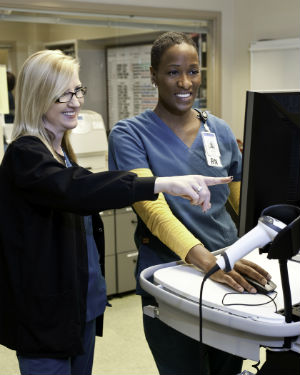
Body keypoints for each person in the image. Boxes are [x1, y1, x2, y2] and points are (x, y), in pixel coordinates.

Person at [0, 49, 232, 375]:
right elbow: (76, 189)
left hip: (83, 307)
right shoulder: (25, 153)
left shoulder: (60, 150)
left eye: (78, 90)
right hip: (47, 317)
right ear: (38, 97)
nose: (76, 101)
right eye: (63, 94)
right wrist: (160, 183)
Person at [108, 32, 272, 375]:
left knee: (228, 369)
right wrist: (208, 261)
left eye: (193, 71)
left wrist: (269, 237)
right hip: (172, 276)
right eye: (172, 72)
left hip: (230, 274)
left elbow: (245, 207)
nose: (185, 82)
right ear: (153, 75)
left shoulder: (220, 131)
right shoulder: (129, 135)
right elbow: (153, 212)